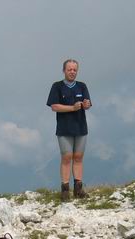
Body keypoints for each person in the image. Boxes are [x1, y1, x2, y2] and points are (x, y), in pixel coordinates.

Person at [46, 59, 92, 201]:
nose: (72, 72)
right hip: (64, 128)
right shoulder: (57, 86)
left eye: (74, 70)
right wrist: (72, 108)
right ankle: (65, 190)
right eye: (69, 69)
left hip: (81, 127)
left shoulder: (82, 86)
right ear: (64, 71)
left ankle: (78, 189)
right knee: (66, 157)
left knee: (78, 157)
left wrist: (86, 104)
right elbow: (54, 106)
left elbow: (88, 104)